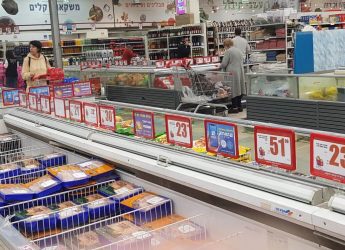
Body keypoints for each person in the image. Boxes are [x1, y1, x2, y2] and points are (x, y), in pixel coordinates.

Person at [220, 38, 246, 113]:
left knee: (233, 89)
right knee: (239, 88)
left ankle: (234, 107)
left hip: (232, 72)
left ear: (226, 45)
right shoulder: (238, 50)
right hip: (239, 71)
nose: (224, 47)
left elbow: (224, 63)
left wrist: (219, 66)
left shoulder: (228, 51)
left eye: (224, 45)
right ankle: (239, 106)